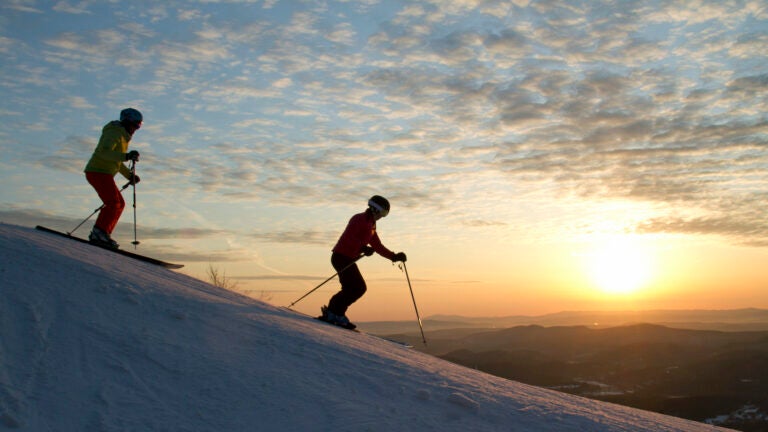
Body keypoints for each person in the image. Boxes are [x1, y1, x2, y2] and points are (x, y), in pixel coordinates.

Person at [320, 195, 407, 329]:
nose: (383, 217)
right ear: (375, 209)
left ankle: (335, 313)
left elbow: (378, 246)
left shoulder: (371, 226)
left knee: (355, 288)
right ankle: (333, 313)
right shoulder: (359, 219)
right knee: (357, 287)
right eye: (383, 213)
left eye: (385, 214)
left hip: (347, 258)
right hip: (340, 257)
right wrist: (362, 247)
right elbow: (350, 237)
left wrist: (394, 257)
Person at [83, 108, 142, 249]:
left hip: (104, 173)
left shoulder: (122, 136)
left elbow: (116, 161)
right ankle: (99, 233)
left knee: (119, 204)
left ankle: (103, 234)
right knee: (113, 202)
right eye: (134, 125)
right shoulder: (114, 132)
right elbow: (103, 152)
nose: (135, 129)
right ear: (127, 122)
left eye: (138, 126)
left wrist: (129, 176)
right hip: (97, 171)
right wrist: (126, 156)